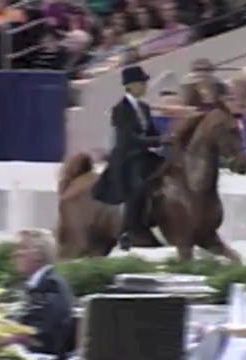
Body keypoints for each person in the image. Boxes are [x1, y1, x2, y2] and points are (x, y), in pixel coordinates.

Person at [92, 65, 170, 250]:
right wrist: (158, 139)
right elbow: (130, 139)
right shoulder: (120, 109)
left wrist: (166, 140)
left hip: (144, 155)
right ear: (131, 85)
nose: (145, 86)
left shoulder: (144, 107)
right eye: (142, 83)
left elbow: (151, 131)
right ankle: (126, 231)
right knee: (138, 187)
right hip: (127, 157)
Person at [10, 229, 75, 358]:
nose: (15, 254)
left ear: (38, 254)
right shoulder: (38, 284)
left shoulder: (51, 285)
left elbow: (46, 335)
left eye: (22, 248)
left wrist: (11, 338)